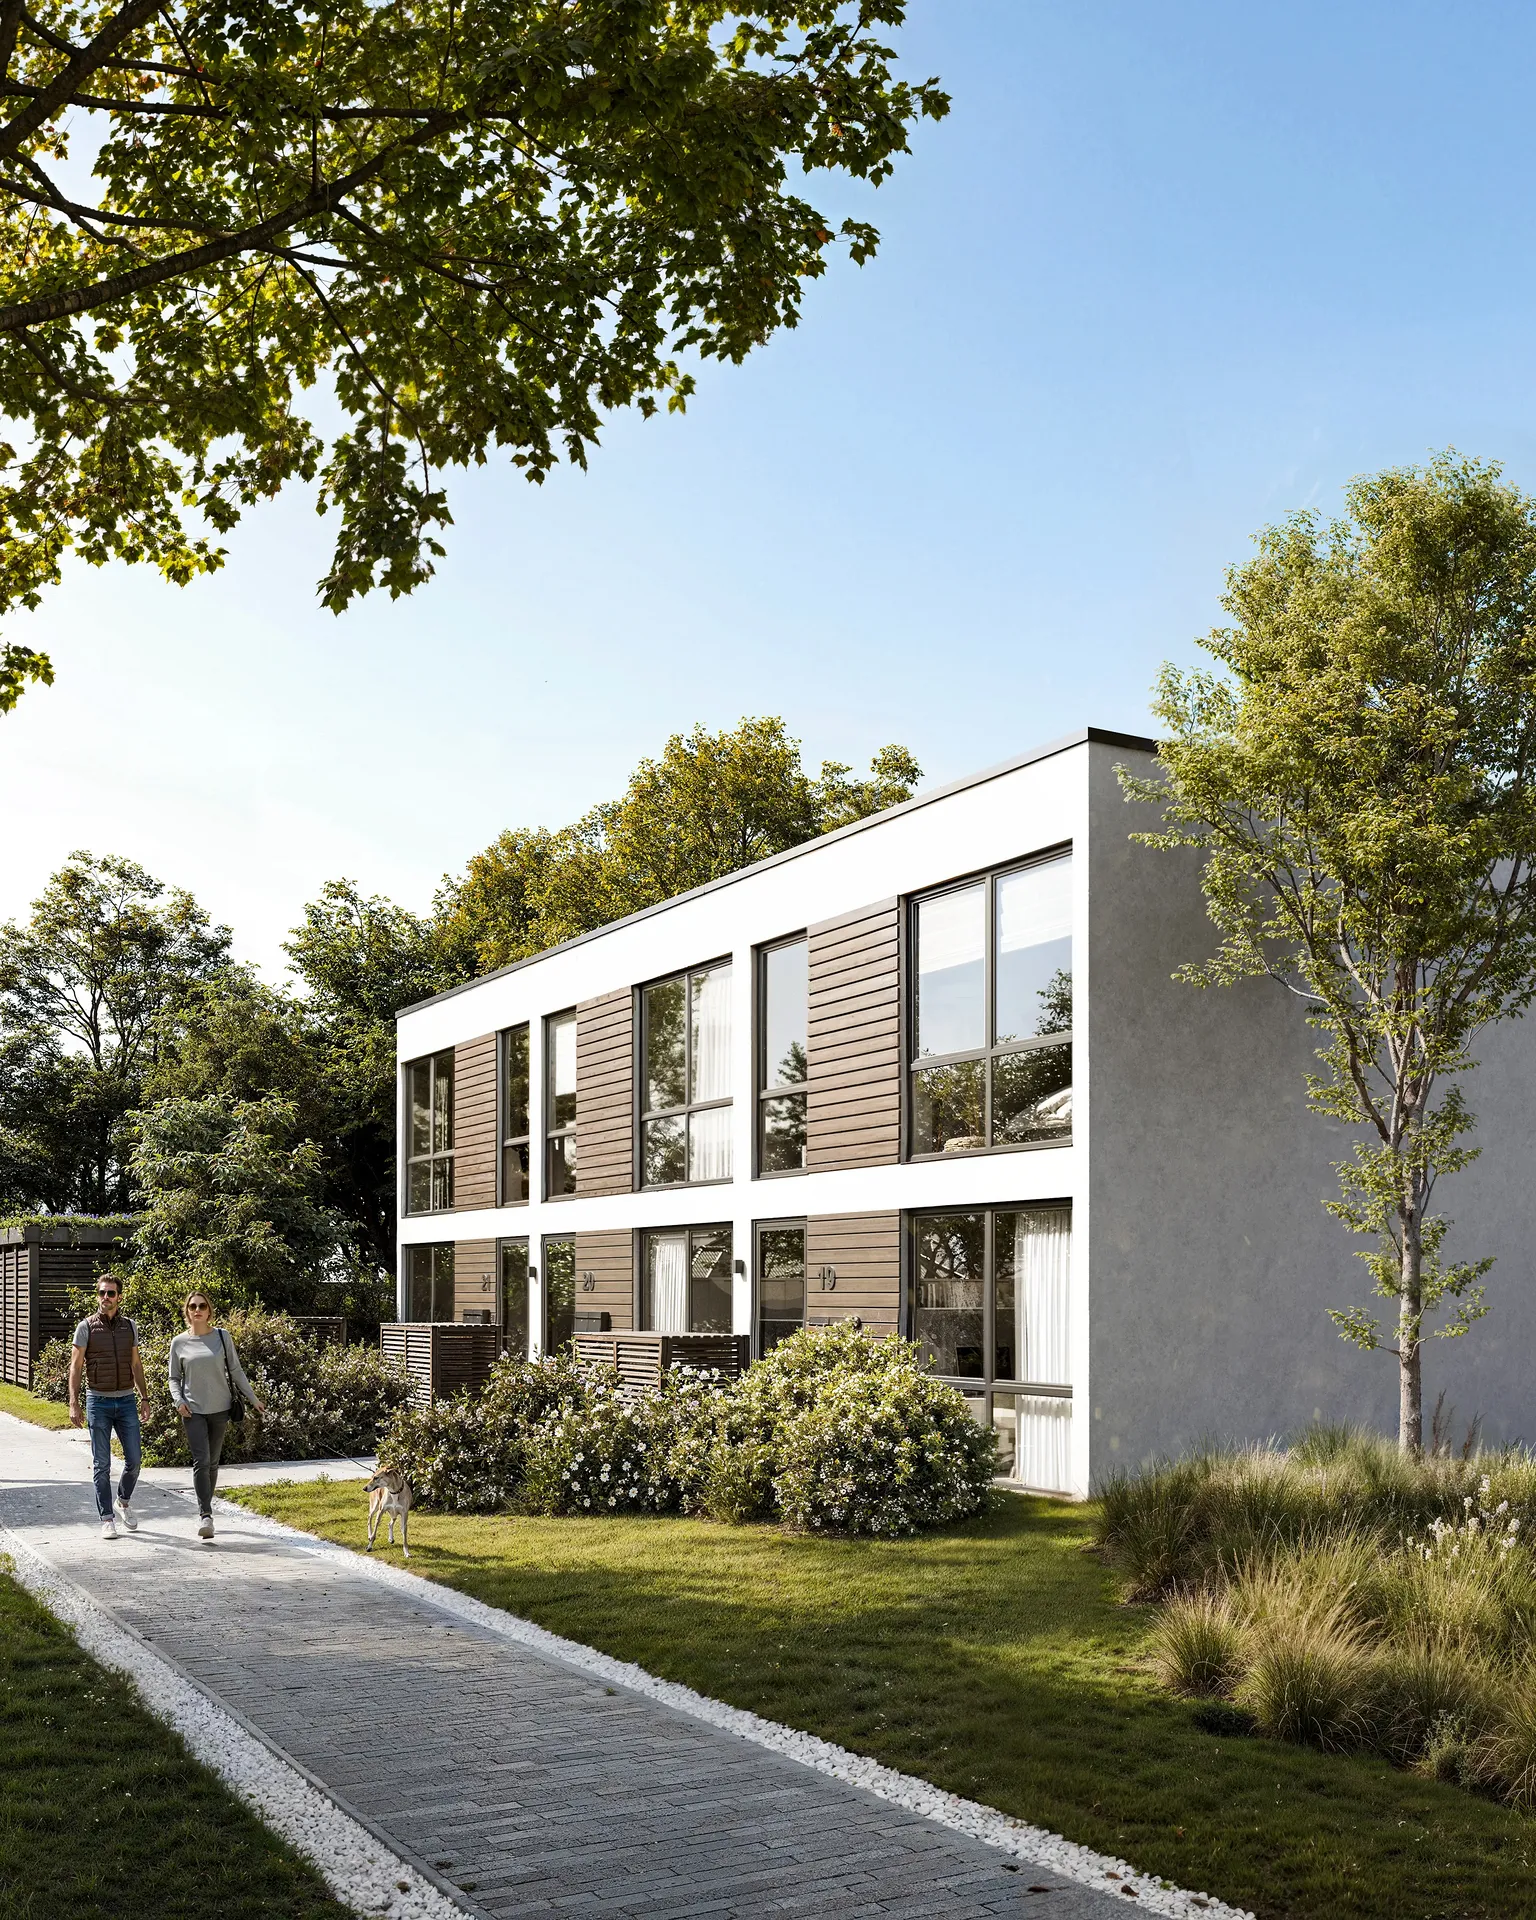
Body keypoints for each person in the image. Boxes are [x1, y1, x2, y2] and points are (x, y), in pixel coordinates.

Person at [167, 1292, 263, 1541]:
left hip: (220, 1409)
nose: (197, 1310)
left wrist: (253, 1399)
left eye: (202, 1306)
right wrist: (179, 1401)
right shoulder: (179, 1342)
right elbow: (174, 1378)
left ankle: (205, 1508)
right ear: (187, 1311)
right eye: (192, 1306)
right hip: (192, 1410)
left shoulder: (222, 1336)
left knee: (212, 1462)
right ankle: (205, 1515)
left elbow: (236, 1370)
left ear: (209, 1311)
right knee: (201, 1460)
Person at [67, 1272, 149, 1540]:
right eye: (101, 1292)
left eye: (110, 1293)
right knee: (101, 1464)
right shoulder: (86, 1327)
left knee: (134, 1461)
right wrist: (74, 1403)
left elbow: (136, 1364)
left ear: (119, 1297)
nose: (105, 1297)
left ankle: (122, 1502)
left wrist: (144, 1398)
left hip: (126, 1401)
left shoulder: (130, 1326)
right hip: (98, 1402)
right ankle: (107, 1519)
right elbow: (76, 1367)